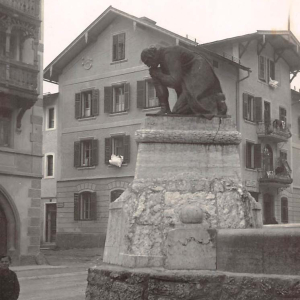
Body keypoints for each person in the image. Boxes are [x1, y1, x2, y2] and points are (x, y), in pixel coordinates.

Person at [141, 45, 227, 118]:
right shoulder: (162, 62)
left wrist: (158, 74)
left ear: (152, 55)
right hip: (188, 76)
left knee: (179, 111)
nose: (149, 65)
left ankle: (218, 100)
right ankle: (165, 109)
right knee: (155, 75)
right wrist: (157, 75)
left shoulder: (169, 54)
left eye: (148, 62)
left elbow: (175, 81)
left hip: (199, 71)